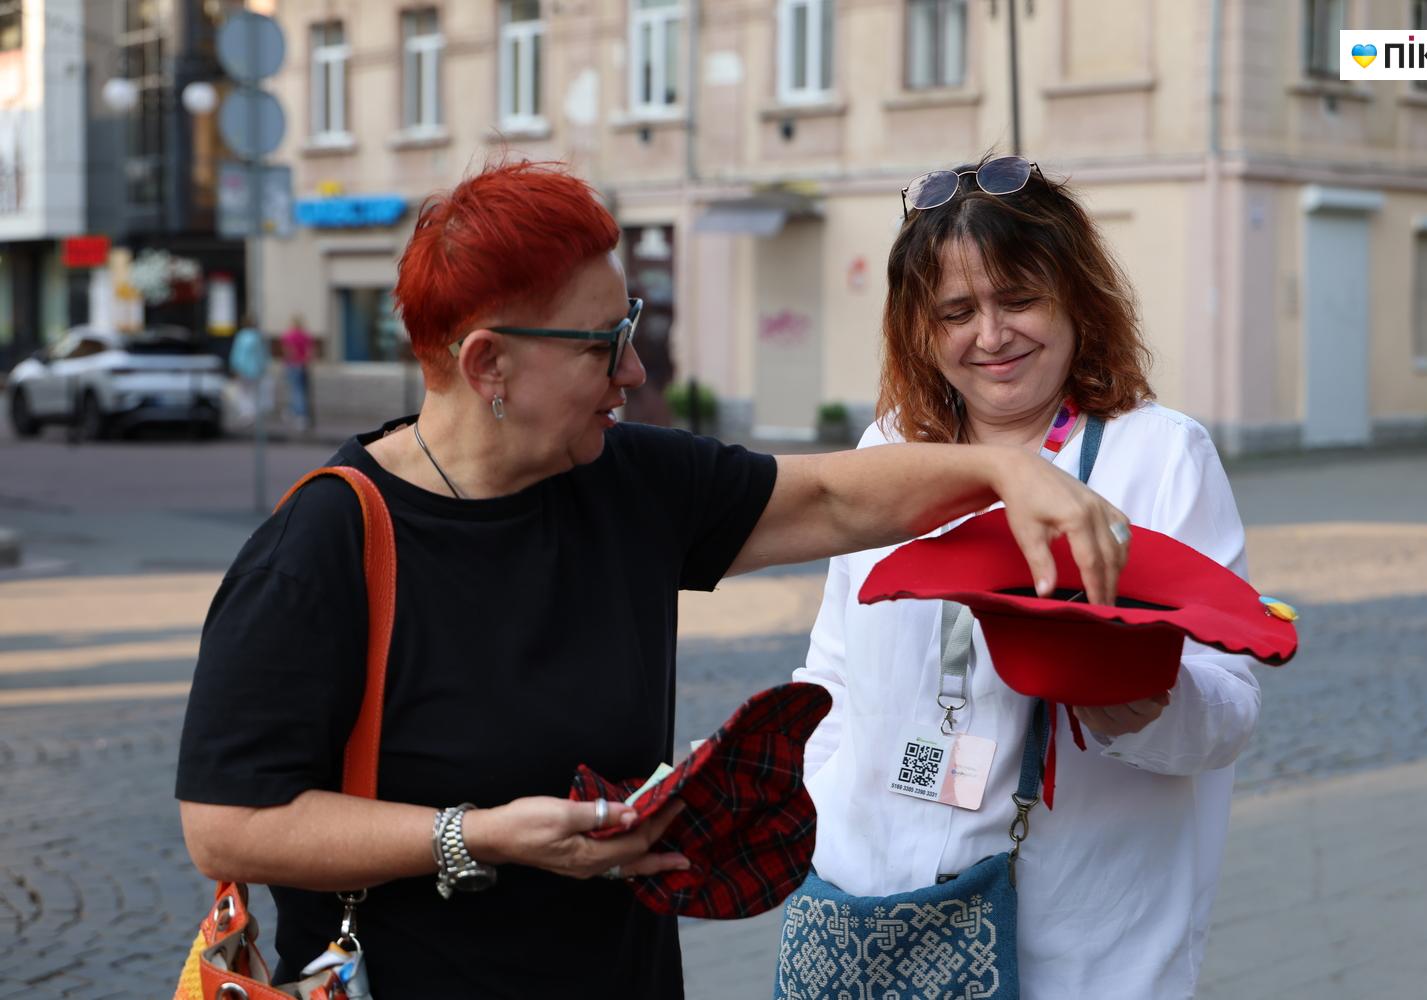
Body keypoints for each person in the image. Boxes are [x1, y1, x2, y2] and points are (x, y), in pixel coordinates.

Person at [174, 158, 1130, 999]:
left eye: (627, 323)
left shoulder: (619, 477)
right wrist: (480, 835)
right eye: (600, 343)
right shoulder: (327, 543)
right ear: (487, 363)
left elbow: (835, 500)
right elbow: (228, 824)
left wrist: (1003, 470)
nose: (633, 367)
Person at [789, 155, 1260, 998]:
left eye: (1019, 300)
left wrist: (1143, 704)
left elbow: (1229, 709)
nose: (992, 335)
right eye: (957, 312)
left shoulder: (1157, 455)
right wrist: (822, 816)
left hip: (1078, 933)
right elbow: (832, 668)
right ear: (920, 329)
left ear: (1075, 296)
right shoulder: (889, 452)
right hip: (872, 912)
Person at [281, 314, 314, 432]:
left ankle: (300, 415)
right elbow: (310, 351)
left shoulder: (289, 335)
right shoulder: (305, 335)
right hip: (303, 365)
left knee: (296, 390)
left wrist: (289, 362)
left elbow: (288, 350)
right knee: (301, 390)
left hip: (293, 364)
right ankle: (294, 412)